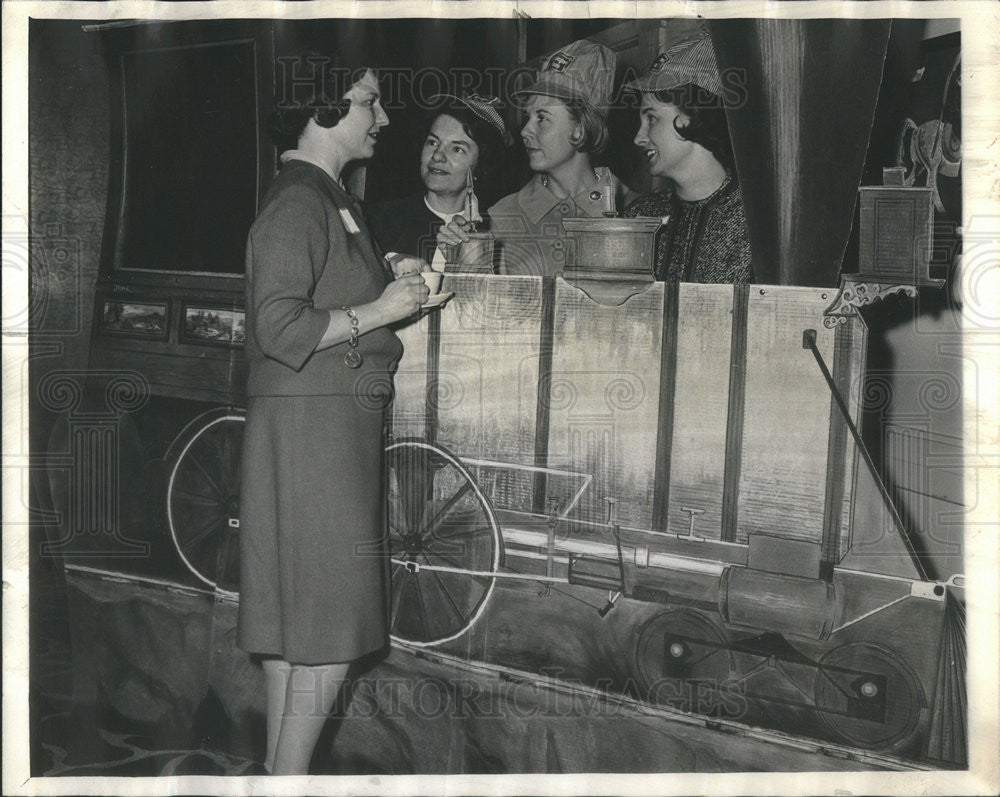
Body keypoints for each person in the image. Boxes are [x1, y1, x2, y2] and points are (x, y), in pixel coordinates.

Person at [236, 58, 429, 776]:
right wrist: (381, 309)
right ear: (322, 107)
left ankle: (279, 781)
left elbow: (327, 296)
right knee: (332, 629)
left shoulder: (327, 197)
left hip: (323, 428)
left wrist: (394, 280)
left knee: (301, 633)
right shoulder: (298, 201)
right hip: (313, 433)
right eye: (368, 102)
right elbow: (280, 326)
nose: (380, 118)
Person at [437, 39, 638, 277]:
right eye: (527, 117)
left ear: (579, 129)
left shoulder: (635, 213)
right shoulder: (501, 217)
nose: (524, 131)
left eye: (542, 118)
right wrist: (459, 261)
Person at [620, 32, 754, 283]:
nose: (638, 138)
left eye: (651, 118)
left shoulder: (755, 224)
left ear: (692, 114)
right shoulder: (639, 217)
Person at [366, 93, 508, 270]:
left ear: (483, 164)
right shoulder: (378, 221)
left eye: (457, 149)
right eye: (433, 142)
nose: (438, 155)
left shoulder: (495, 232)